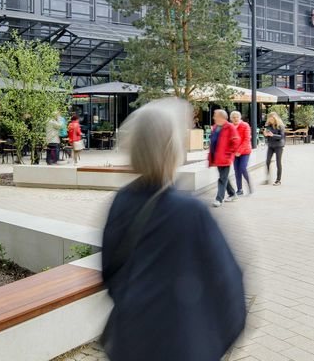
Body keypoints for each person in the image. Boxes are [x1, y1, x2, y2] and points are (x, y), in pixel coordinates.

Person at [101, 99, 245, 360]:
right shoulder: (191, 211)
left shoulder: (121, 201)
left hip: (130, 342)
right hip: (181, 345)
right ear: (172, 147)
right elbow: (229, 289)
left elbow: (110, 273)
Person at [208, 109, 239, 207]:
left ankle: (219, 199)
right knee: (224, 177)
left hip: (225, 158)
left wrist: (228, 153)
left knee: (222, 179)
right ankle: (232, 194)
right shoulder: (216, 127)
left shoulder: (229, 127)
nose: (213, 117)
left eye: (215, 115)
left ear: (221, 117)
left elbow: (236, 141)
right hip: (217, 157)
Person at [230, 111, 254, 196]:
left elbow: (247, 139)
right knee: (237, 170)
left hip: (245, 151)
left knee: (243, 168)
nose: (235, 119)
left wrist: (239, 151)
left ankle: (249, 185)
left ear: (240, 117)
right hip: (234, 152)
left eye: (237, 117)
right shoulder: (230, 126)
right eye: (234, 117)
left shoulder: (245, 125)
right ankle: (239, 189)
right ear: (231, 119)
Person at [262, 112, 285, 185]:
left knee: (278, 162)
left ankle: (278, 180)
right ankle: (267, 178)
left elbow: (281, 137)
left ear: (275, 119)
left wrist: (273, 135)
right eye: (269, 119)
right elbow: (267, 137)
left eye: (271, 119)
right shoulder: (268, 126)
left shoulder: (280, 126)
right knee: (267, 161)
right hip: (271, 145)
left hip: (279, 145)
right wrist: (265, 135)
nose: (270, 120)